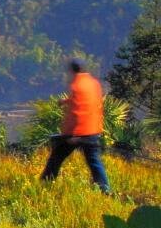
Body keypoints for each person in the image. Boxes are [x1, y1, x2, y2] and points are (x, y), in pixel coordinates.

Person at [41, 59, 111, 194]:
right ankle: (104, 188)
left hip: (78, 132)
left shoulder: (76, 85)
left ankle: (46, 184)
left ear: (73, 71)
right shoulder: (93, 83)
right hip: (93, 129)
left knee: (56, 157)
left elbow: (78, 111)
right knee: (94, 160)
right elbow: (86, 101)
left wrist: (74, 135)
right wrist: (65, 101)